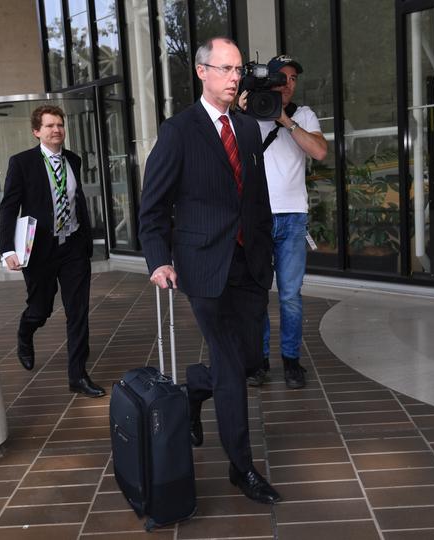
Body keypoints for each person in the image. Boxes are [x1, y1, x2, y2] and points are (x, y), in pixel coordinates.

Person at [138, 37, 281, 505]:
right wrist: (159, 258)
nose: (236, 77)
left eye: (239, 69)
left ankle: (195, 389)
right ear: (202, 72)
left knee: (248, 363)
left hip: (250, 265)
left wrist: (268, 255)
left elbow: (256, 200)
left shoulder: (247, 128)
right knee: (231, 368)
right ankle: (242, 467)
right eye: (226, 69)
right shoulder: (179, 131)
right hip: (203, 267)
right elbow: (153, 204)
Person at [0, 105, 105, 398]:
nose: (56, 130)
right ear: (37, 131)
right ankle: (25, 332)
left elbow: (75, 198)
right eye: (49, 126)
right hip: (40, 251)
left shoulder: (73, 160)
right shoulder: (22, 163)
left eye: (59, 124)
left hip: (72, 248)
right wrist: (7, 249)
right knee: (40, 308)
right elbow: (8, 208)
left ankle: (78, 375)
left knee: (78, 312)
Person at [239, 55, 328, 389]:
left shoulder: (302, 114)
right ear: (269, 79)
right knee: (258, 293)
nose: (289, 84)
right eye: (283, 77)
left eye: (294, 79)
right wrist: (241, 109)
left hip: (292, 218)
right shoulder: (248, 113)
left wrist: (284, 120)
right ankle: (258, 361)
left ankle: (291, 361)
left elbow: (320, 152)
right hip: (257, 217)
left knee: (290, 295)